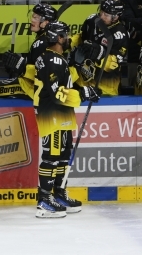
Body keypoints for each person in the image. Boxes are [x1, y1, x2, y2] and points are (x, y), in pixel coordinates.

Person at [33, 20, 100, 218]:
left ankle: (58, 194)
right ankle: (44, 200)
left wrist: (76, 67)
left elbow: (64, 82)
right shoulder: (52, 61)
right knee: (51, 156)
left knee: (63, 154)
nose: (69, 38)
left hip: (61, 112)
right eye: (66, 35)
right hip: (52, 112)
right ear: (59, 38)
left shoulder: (56, 59)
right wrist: (84, 93)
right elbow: (57, 93)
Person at [0, 3, 57, 98]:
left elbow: (46, 74)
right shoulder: (44, 38)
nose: (32, 20)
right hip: (35, 86)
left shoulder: (42, 43)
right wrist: (16, 67)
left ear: (46, 22)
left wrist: (21, 66)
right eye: (32, 16)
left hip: (34, 90)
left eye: (36, 18)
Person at [72, 0, 128, 96]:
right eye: (101, 11)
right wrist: (69, 42)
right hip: (81, 82)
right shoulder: (91, 20)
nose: (101, 16)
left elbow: (115, 62)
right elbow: (81, 37)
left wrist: (99, 54)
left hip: (104, 88)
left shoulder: (120, 35)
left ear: (116, 17)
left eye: (106, 15)